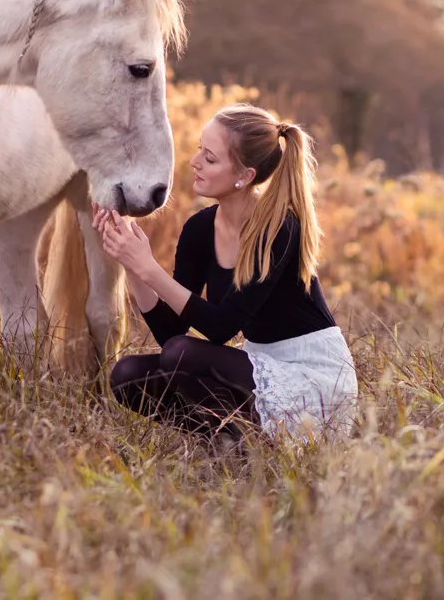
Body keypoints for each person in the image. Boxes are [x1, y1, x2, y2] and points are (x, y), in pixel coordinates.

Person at [92, 103, 358, 445]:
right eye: (199, 150)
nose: (195, 162)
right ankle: (233, 439)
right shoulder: (200, 229)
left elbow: (220, 328)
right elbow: (170, 330)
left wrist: (149, 268)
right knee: (127, 376)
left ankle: (237, 448)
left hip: (312, 378)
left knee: (182, 354)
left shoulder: (278, 229)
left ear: (244, 176)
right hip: (259, 366)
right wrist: (130, 262)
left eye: (211, 157)